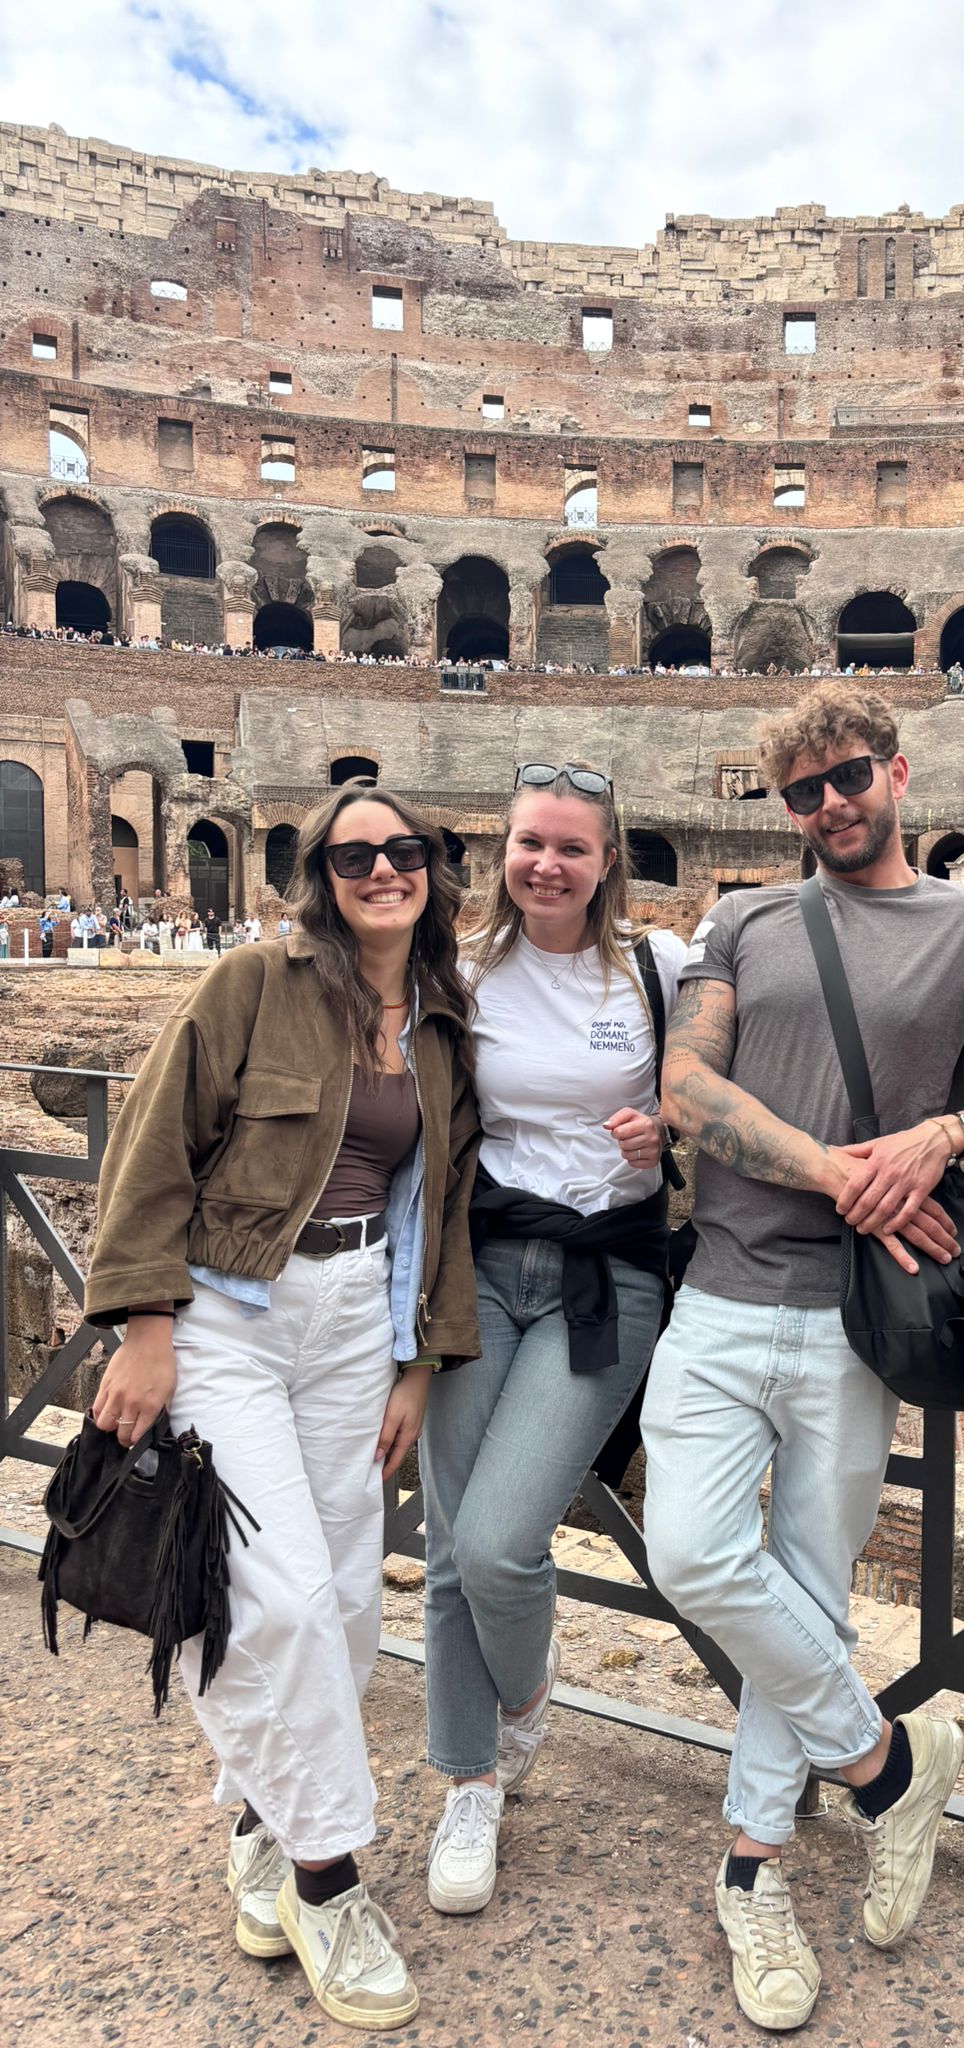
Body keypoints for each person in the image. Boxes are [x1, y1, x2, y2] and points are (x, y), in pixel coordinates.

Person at [642, 685, 964, 2031]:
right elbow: (686, 1091)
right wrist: (839, 1171)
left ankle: (752, 1868)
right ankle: (890, 1767)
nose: (828, 804)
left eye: (849, 777)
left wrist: (946, 1137)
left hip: (858, 1319)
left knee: (811, 1597)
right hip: (723, 1294)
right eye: (803, 790)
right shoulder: (746, 920)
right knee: (693, 1556)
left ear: (897, 771)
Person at [83, 782, 482, 2032]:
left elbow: (444, 1203)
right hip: (230, 1312)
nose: (383, 870)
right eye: (355, 855)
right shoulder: (253, 983)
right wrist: (146, 1327)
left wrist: (419, 1361)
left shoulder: (439, 1019)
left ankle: (263, 1816)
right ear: (321, 876)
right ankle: (327, 1879)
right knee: (283, 1599)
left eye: (403, 850)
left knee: (350, 1598)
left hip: (361, 1317)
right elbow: (151, 1147)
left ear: (431, 869)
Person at [419, 761, 686, 1915]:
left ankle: (524, 1694)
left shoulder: (659, 967)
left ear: (607, 859)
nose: (548, 863)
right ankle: (468, 1778)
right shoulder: (461, 967)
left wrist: (671, 1125)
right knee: (448, 1545)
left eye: (572, 846)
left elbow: (722, 1087)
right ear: (503, 849)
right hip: (475, 1267)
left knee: (497, 1540)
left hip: (605, 1276)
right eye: (531, 841)